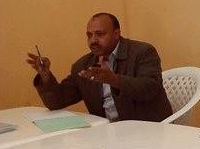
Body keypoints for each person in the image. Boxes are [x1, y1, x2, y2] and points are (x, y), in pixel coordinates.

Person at [27, 12, 172, 122]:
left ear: (116, 34)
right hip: (106, 133)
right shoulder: (83, 65)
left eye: (100, 34)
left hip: (147, 129)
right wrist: (46, 76)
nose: (93, 40)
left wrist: (114, 79)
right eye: (89, 35)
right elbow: (58, 101)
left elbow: (150, 88)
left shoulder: (142, 52)